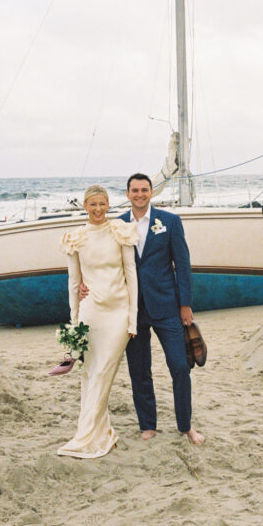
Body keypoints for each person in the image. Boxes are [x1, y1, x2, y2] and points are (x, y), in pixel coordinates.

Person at [80, 173, 204, 446]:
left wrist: (185, 305)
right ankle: (148, 425)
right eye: (134, 190)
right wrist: (83, 285)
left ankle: (185, 426)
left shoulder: (170, 222)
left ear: (151, 193)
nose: (140, 194)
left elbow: (182, 265)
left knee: (180, 367)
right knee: (139, 370)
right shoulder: (116, 225)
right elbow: (102, 261)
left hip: (167, 307)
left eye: (144, 190)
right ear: (127, 194)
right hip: (130, 310)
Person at [57, 184, 139, 459]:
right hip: (91, 312)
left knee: (104, 371)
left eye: (102, 204)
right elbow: (73, 282)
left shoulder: (120, 231)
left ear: (108, 205)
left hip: (118, 313)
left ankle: (87, 434)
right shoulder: (75, 238)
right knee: (90, 372)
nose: (98, 209)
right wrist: (74, 321)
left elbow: (131, 275)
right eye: (93, 204)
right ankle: (100, 434)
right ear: (85, 206)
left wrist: (133, 319)